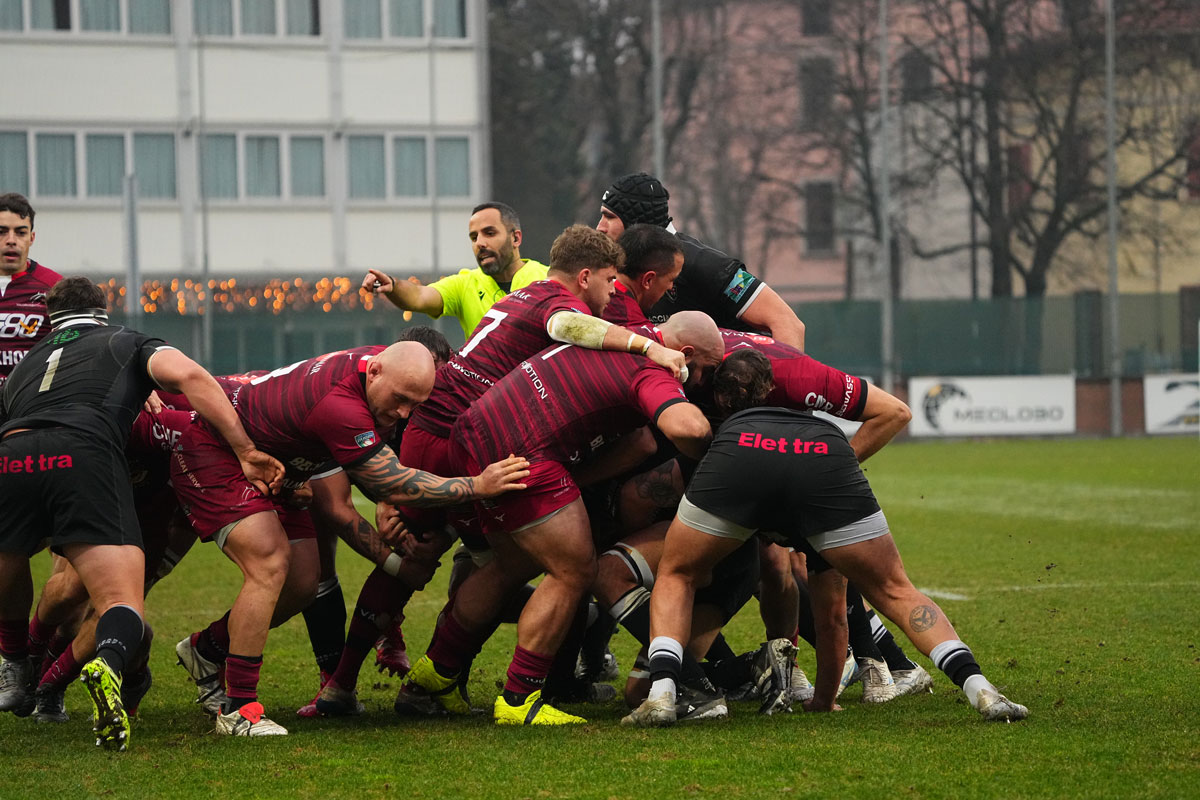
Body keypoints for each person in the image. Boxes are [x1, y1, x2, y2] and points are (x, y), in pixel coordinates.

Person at [315, 225, 687, 715]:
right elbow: (567, 329)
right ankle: (476, 691)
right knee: (438, 556)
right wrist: (649, 348)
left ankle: (419, 679)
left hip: (446, 429)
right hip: (456, 436)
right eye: (609, 280)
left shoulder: (529, 289)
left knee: (496, 562)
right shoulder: (560, 302)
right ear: (586, 275)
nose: (613, 291)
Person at [622, 350, 1029, 726]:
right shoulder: (818, 422)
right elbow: (833, 618)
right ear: (770, 389)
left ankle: (661, 695)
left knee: (678, 575)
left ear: (720, 399)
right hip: (824, 457)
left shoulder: (724, 428)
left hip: (738, 457)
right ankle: (982, 690)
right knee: (895, 590)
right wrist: (824, 699)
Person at [167, 341, 531, 736]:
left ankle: (206, 650)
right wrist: (477, 485)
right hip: (216, 455)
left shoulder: (382, 372)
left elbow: (379, 480)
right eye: (402, 400)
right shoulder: (341, 406)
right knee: (269, 564)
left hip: (281, 470)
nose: (405, 412)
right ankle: (239, 709)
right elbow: (390, 483)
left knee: (305, 583)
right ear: (374, 372)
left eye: (416, 403)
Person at [398, 311, 725, 726]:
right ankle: (519, 698)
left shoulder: (623, 335)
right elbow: (689, 428)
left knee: (510, 565)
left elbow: (640, 443)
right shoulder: (653, 366)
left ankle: (433, 675)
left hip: (475, 430)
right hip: (522, 453)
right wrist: (720, 450)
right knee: (576, 569)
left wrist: (574, 477)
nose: (704, 382)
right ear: (686, 353)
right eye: (705, 371)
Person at [0, 276, 283, 750]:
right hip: (85, 454)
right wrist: (246, 449)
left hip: (13, 454)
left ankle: (15, 662)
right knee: (121, 603)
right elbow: (191, 376)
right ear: (103, 311)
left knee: (24, 571)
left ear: (52, 319)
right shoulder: (126, 340)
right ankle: (106, 662)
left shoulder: (26, 363)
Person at [596, 173, 806, 349]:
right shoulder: (615, 270)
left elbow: (787, 323)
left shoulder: (704, 264)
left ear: (637, 223)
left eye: (610, 217)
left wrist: (783, 393)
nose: (600, 227)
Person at [362, 202, 549, 339]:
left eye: (489, 233)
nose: (480, 243)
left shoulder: (549, 279)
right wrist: (393, 285)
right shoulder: (464, 284)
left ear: (515, 238)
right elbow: (419, 296)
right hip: (486, 392)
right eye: (474, 237)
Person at [0, 194, 62, 390]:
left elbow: (92, 341)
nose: (11, 240)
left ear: (31, 238)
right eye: (1, 232)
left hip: (34, 405)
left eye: (20, 232)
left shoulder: (55, 287)